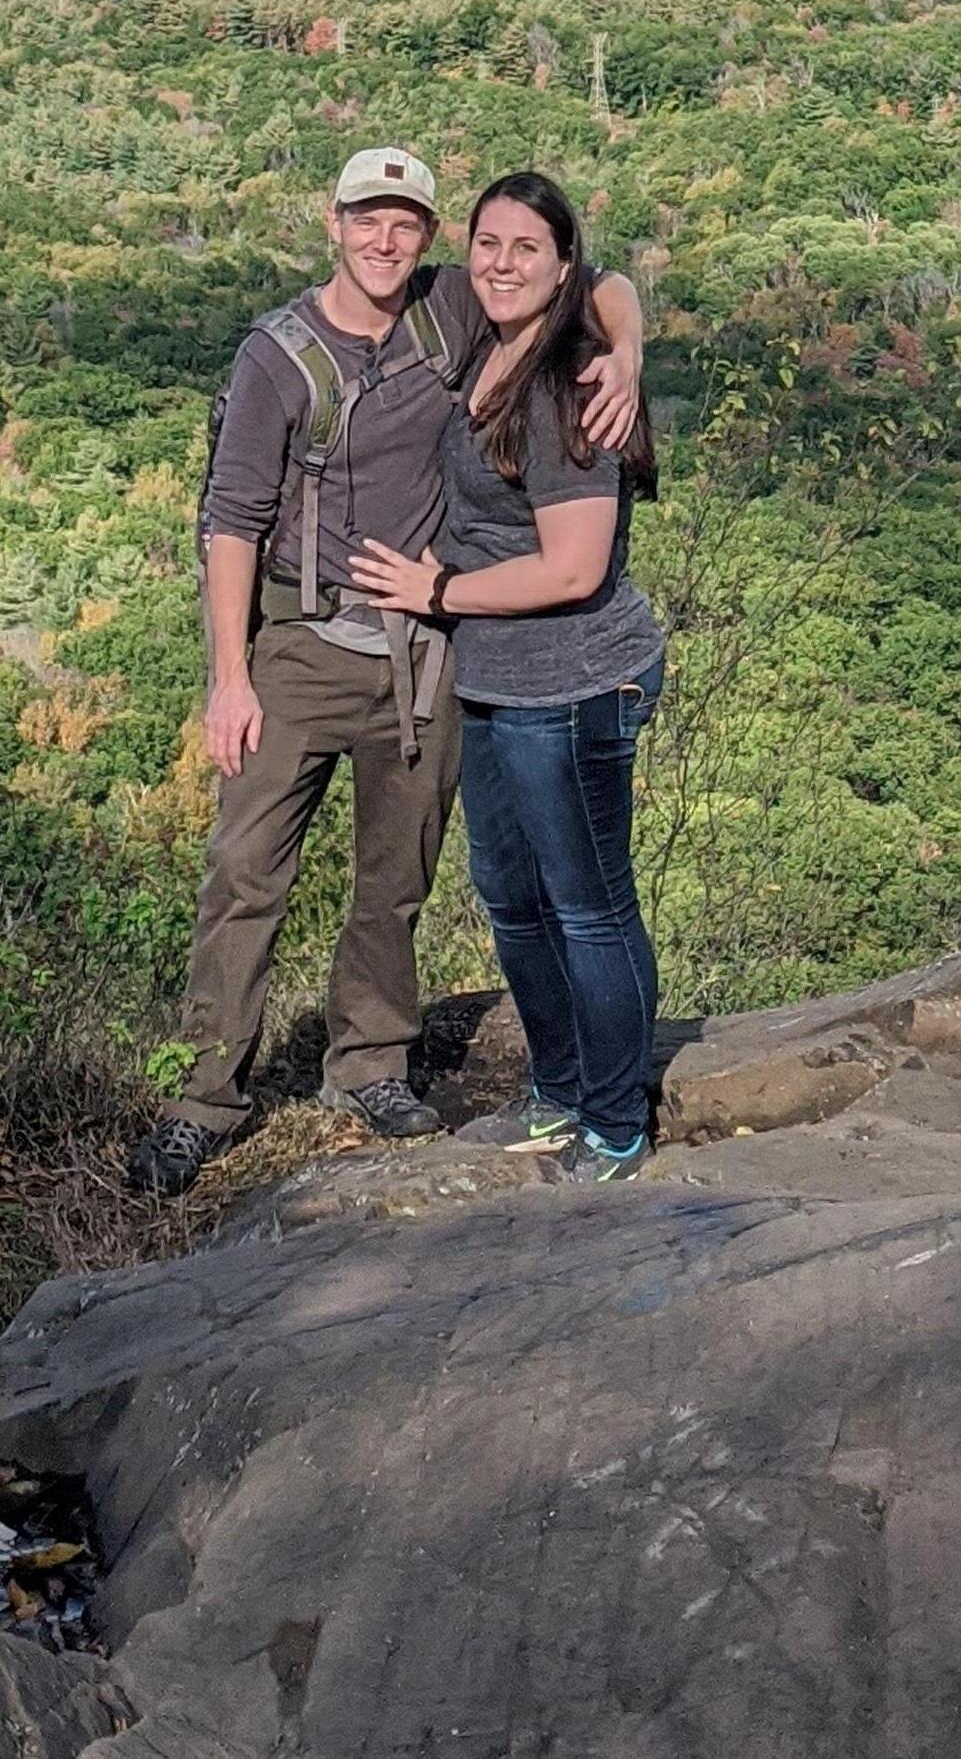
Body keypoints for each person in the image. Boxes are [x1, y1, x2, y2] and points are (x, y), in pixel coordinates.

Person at [125, 148, 644, 1199]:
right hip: (300, 644)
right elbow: (229, 518)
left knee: (394, 875)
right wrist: (229, 674)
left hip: (424, 651)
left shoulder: (450, 305)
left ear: (424, 235)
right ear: (332, 221)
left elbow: (600, 280)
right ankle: (203, 1098)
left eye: (406, 223)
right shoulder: (276, 356)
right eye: (367, 219)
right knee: (245, 875)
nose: (384, 240)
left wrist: (624, 351)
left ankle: (367, 1064)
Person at [349, 171, 667, 1184]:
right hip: (493, 678)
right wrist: (630, 336)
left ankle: (615, 1121)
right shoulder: (489, 343)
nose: (498, 261)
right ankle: (560, 1088)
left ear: (559, 264)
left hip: (571, 682)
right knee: (510, 896)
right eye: (486, 241)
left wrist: (438, 587)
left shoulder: (567, 382)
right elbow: (617, 279)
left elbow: (572, 566)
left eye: (524, 247)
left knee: (588, 903)